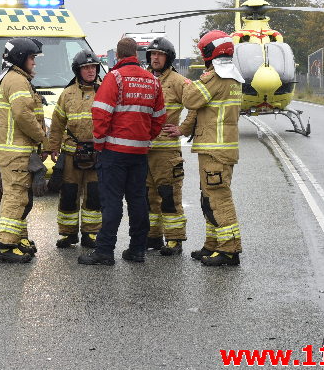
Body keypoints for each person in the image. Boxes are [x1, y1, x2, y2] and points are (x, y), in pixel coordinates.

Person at [78, 37, 166, 266]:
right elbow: (159, 119)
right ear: (136, 54)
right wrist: (145, 138)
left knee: (112, 202)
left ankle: (105, 251)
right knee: (138, 201)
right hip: (139, 153)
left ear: (117, 56)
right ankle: (137, 249)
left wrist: (99, 144)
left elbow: (101, 114)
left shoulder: (114, 78)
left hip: (113, 152)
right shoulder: (153, 81)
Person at [182, 30, 244, 266]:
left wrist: (190, 82)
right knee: (208, 198)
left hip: (214, 150)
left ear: (210, 53)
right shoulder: (235, 78)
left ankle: (229, 250)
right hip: (220, 150)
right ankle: (213, 244)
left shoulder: (215, 79)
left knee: (219, 199)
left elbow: (190, 100)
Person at [0, 37, 48, 263]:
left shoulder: (11, 78)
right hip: (16, 153)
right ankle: (5, 246)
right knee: (15, 199)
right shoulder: (17, 81)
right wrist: (42, 138)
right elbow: (23, 115)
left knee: (19, 198)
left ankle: (17, 240)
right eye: (32, 58)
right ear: (20, 58)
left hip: (12, 153)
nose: (34, 62)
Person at [144, 37, 197, 256]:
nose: (155, 58)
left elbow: (195, 105)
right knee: (148, 196)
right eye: (152, 54)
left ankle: (174, 239)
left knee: (169, 195)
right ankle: (153, 236)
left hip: (167, 151)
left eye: (159, 54)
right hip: (145, 150)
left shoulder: (178, 81)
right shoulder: (144, 78)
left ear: (168, 58)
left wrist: (183, 129)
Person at [47, 50, 102, 249]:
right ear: (78, 71)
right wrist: (53, 146)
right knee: (69, 193)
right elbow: (57, 122)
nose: (90, 71)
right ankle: (68, 234)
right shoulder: (67, 94)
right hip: (71, 152)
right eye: (86, 67)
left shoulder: (105, 90)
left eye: (93, 67)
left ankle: (92, 233)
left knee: (94, 194)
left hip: (97, 153)